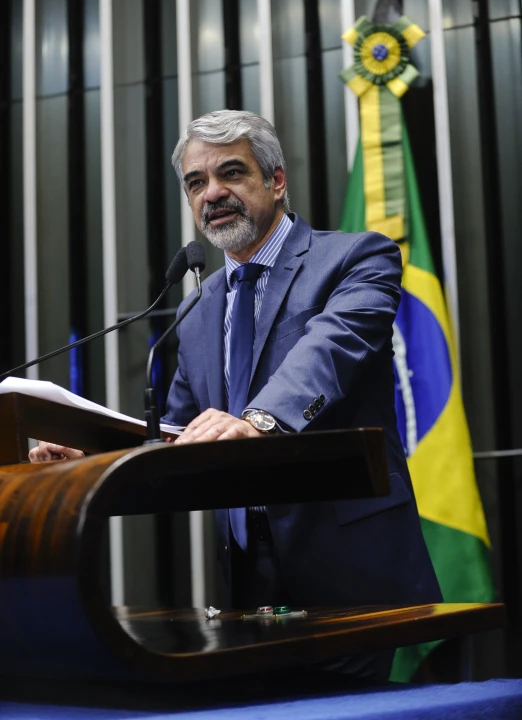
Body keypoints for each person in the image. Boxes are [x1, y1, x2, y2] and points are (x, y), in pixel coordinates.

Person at [30, 110, 442, 682]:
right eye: (196, 183)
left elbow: (332, 348)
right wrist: (90, 460)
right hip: (251, 582)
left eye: (231, 173)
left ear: (276, 181)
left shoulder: (356, 258)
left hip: (353, 569)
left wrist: (260, 419)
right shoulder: (198, 306)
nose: (212, 193)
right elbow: (173, 433)